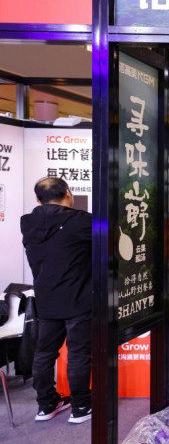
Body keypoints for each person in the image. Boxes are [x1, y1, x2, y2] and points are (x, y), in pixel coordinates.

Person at [20, 177, 93, 423]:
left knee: (44, 354)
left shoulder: (28, 223)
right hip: (78, 299)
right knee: (78, 354)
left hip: (46, 300)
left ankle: (46, 405)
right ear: (68, 194)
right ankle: (81, 407)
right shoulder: (83, 221)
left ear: (38, 200)